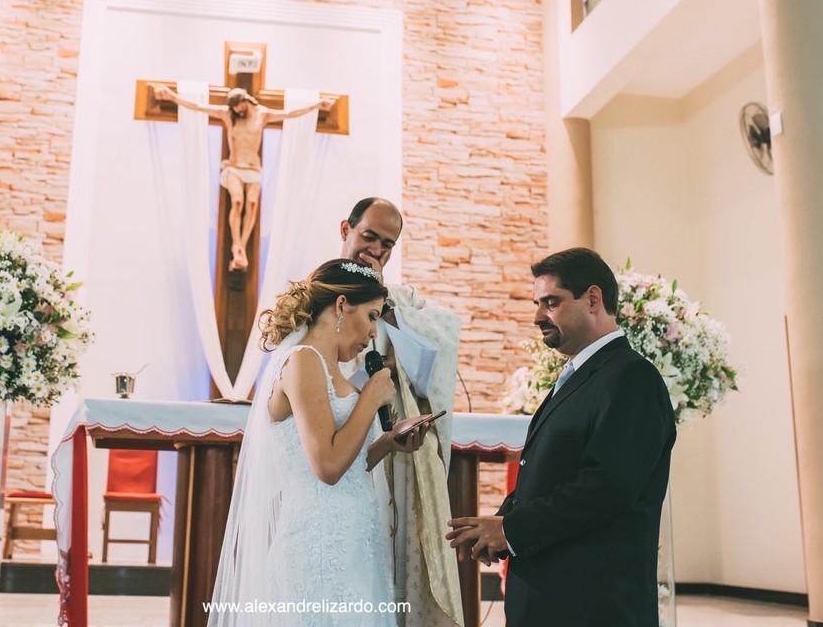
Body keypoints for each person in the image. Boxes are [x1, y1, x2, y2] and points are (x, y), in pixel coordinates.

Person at [445, 247, 676, 627]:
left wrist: (511, 530)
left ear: (593, 299)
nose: (537, 316)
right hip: (553, 597)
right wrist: (500, 524)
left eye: (550, 302)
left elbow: (606, 487)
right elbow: (551, 475)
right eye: (538, 303)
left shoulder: (631, 378)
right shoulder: (580, 376)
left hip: (592, 603)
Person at [208, 258, 433, 626]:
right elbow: (326, 467)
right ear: (342, 305)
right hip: (319, 546)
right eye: (373, 316)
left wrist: (389, 442)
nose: (374, 332)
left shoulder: (332, 369)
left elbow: (346, 461)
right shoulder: (303, 361)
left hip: (352, 539)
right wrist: (369, 398)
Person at [337, 197, 463, 627]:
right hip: (336, 441)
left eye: (387, 244)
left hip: (395, 455)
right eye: (368, 236)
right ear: (346, 230)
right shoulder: (316, 293)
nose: (375, 250)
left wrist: (391, 313)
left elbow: (443, 338)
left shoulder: (399, 301)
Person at [152, 84, 334, 271]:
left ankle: (242, 246)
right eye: (235, 108)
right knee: (238, 202)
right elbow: (198, 107)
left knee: (252, 204)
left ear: (245, 100)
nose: (238, 110)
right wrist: (172, 96)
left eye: (239, 105)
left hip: (253, 168)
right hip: (233, 167)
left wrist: (316, 106)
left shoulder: (262, 114)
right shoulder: (227, 114)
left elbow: (290, 113)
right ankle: (236, 245)